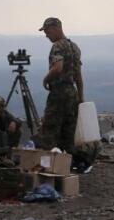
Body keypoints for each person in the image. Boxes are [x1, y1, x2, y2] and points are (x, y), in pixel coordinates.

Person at [37, 18, 87, 162]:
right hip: (72, 93)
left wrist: (46, 79)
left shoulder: (58, 46)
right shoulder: (74, 47)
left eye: (47, 31)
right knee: (68, 132)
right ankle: (70, 163)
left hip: (59, 93)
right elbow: (78, 75)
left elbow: (57, 67)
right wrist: (80, 97)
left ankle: (47, 164)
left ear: (55, 28)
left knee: (49, 131)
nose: (46, 35)